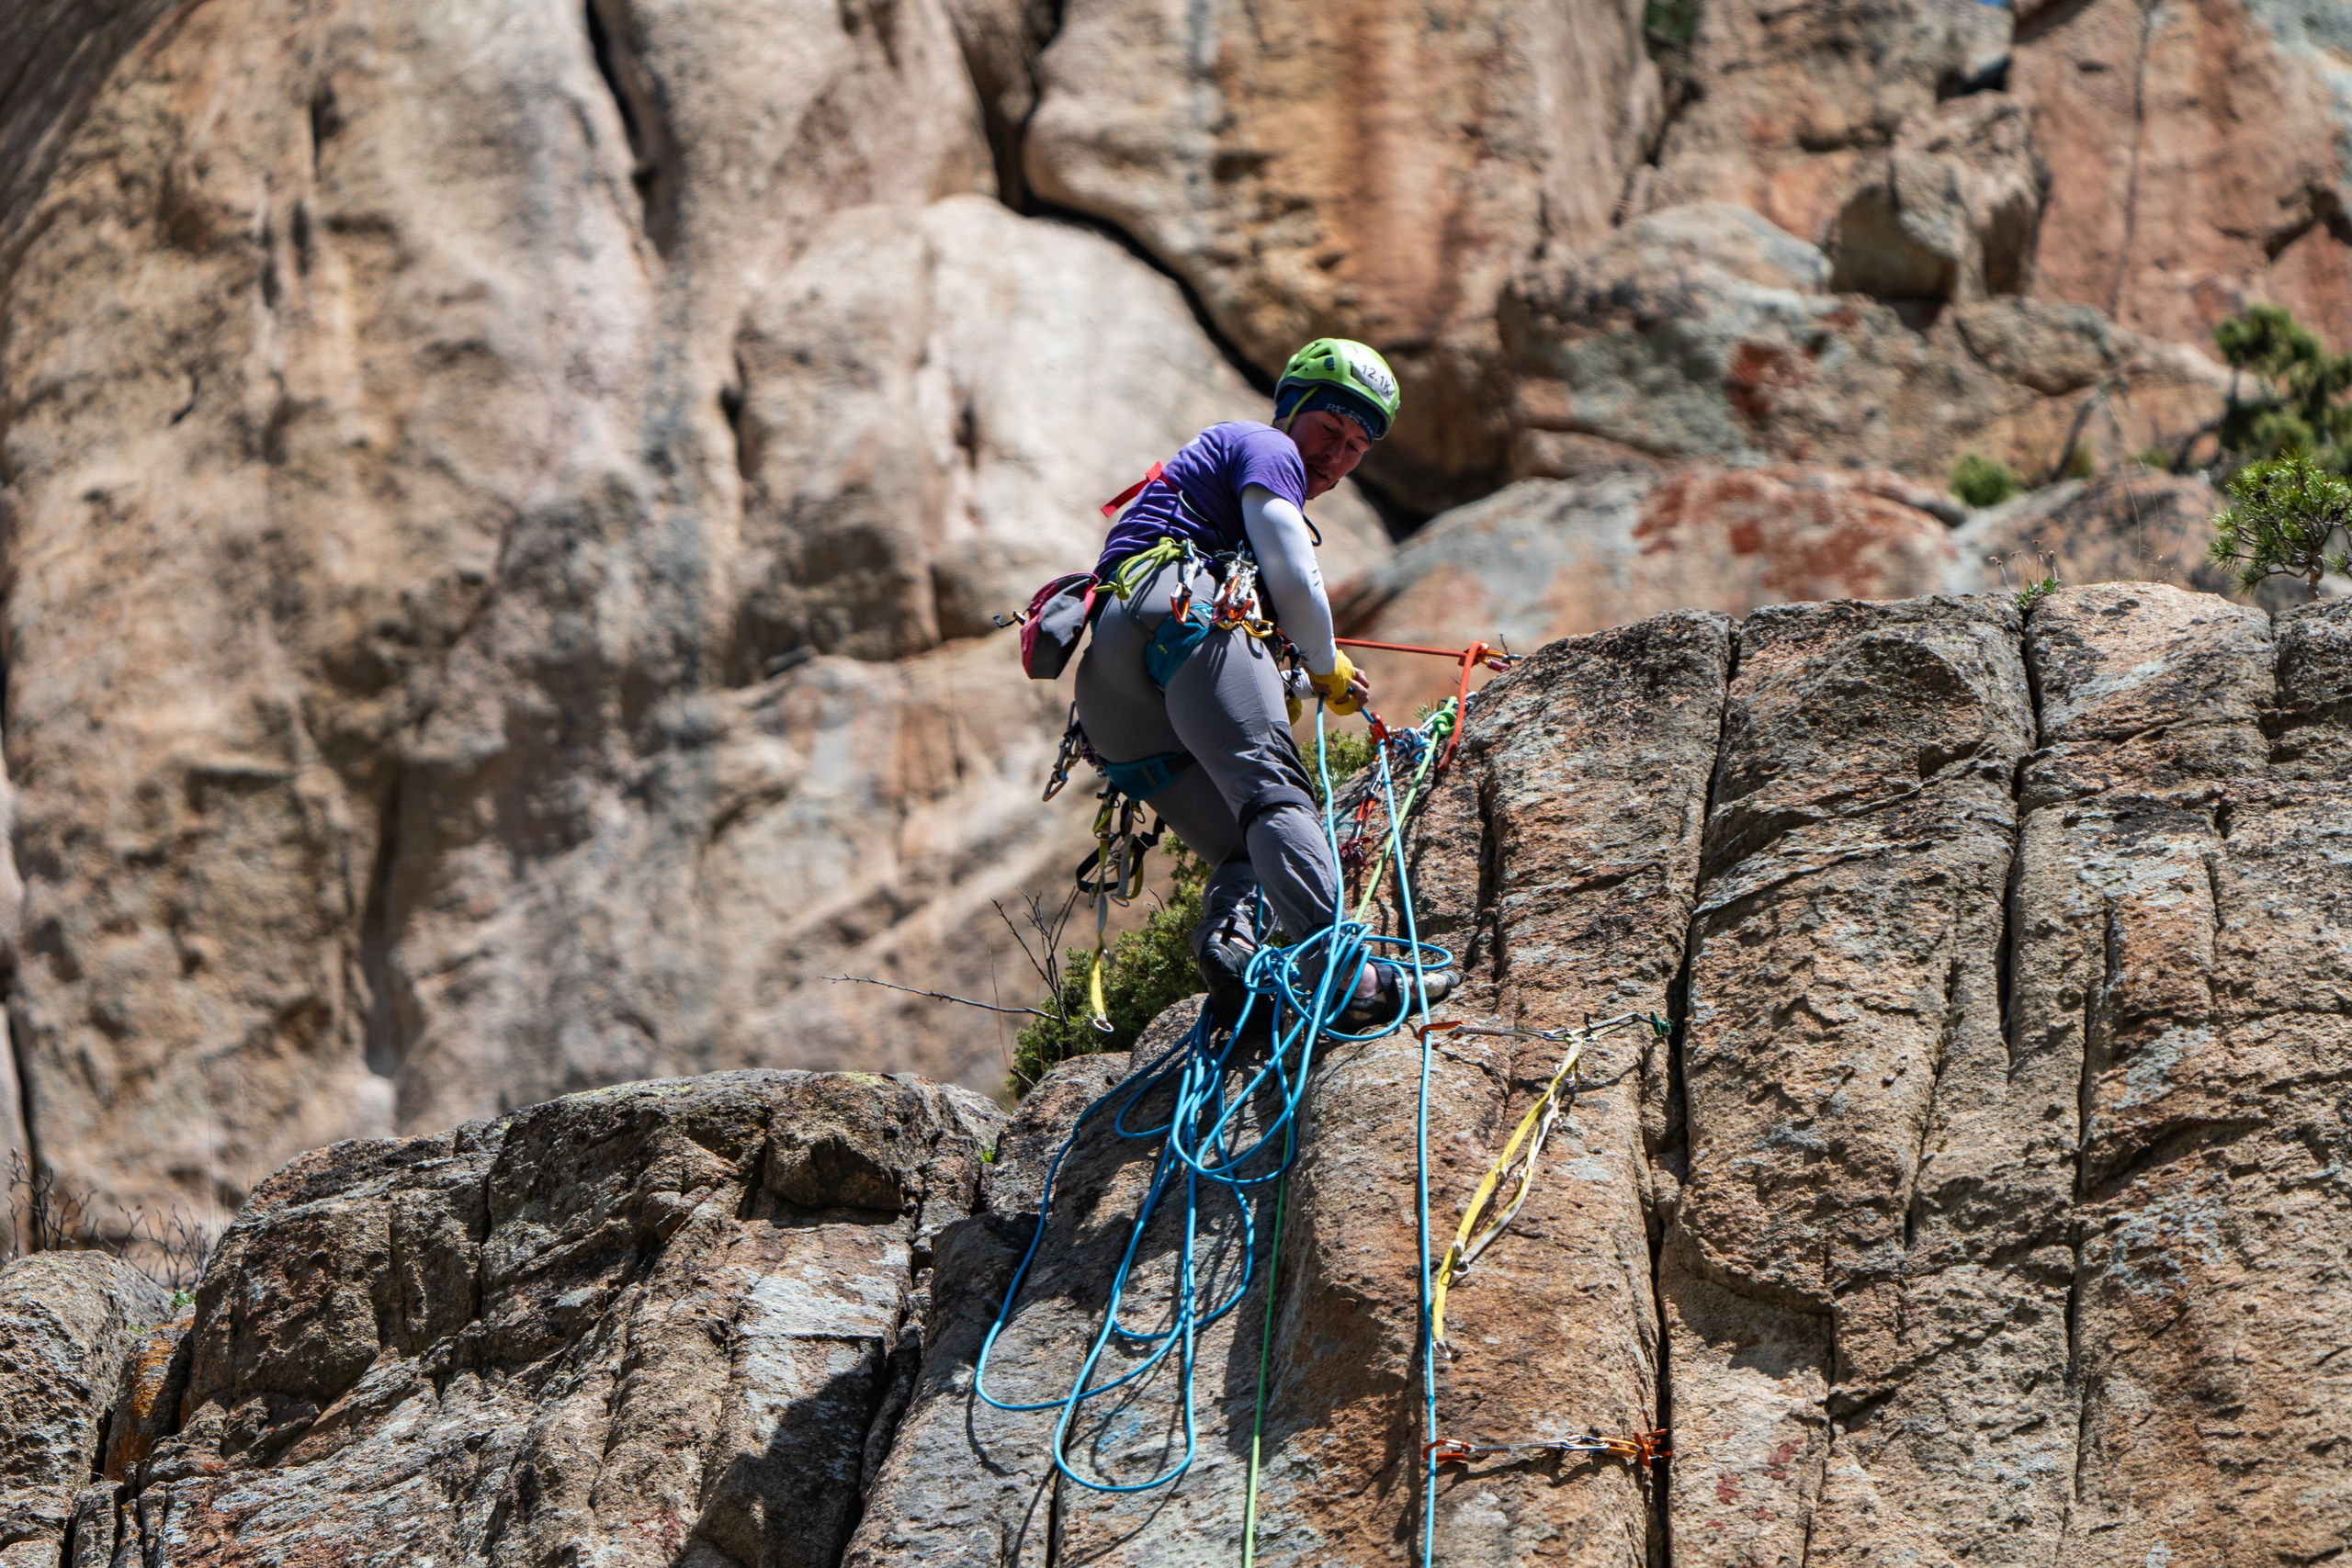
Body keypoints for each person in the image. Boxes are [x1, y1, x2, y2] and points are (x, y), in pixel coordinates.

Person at [1076, 338, 1460, 1029]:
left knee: (1240, 845)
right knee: (1277, 796)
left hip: (1115, 704)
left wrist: (1314, 677)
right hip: (1186, 614)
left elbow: (1235, 678)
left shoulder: (1206, 503)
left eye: (1356, 447)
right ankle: (1352, 981)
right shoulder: (1265, 446)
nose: (1335, 455)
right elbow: (1295, 574)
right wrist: (1326, 661)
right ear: (1293, 410)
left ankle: (1234, 954)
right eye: (1329, 429)